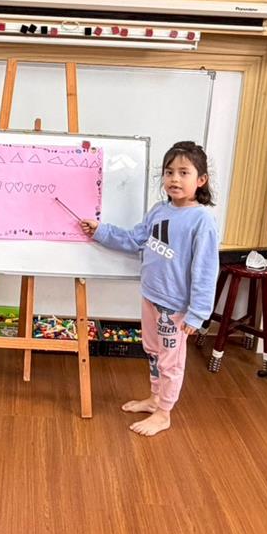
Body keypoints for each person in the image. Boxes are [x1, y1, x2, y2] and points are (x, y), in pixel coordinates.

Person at [81, 141, 219, 436]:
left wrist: (198, 313)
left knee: (171, 360)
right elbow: (135, 239)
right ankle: (156, 398)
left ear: (201, 180)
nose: (174, 179)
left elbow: (206, 270)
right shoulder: (159, 210)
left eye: (184, 172)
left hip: (175, 307)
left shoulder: (202, 220)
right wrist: (101, 231)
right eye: (169, 172)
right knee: (153, 351)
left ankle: (164, 413)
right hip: (151, 297)